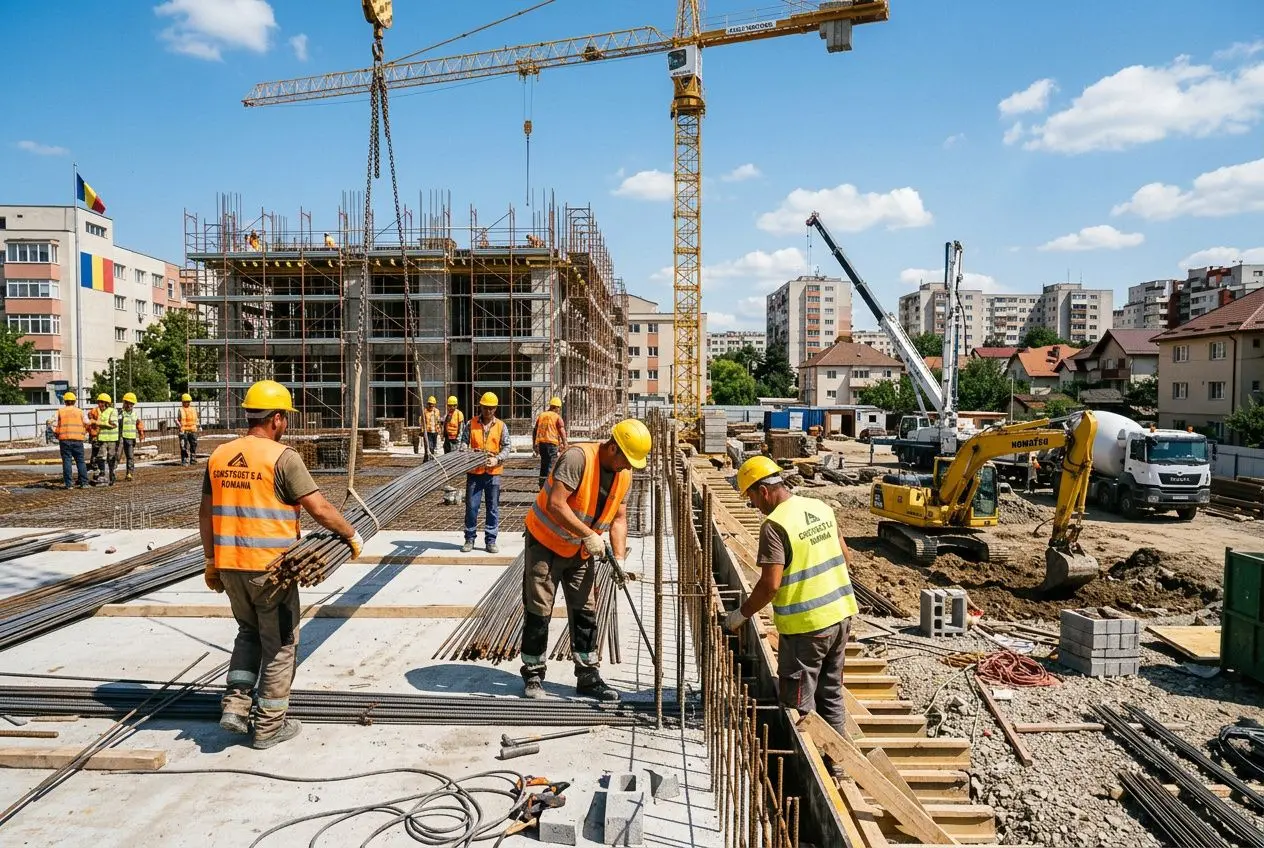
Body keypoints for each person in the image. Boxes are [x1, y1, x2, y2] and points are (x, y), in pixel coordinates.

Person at [200, 380, 363, 749]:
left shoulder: (220, 455)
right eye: (285, 417)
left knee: (247, 634)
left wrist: (211, 561)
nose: (285, 423)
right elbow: (319, 508)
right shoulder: (282, 457)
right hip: (270, 571)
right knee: (280, 645)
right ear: (276, 419)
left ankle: (235, 707)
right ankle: (270, 725)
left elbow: (205, 513)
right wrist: (351, 535)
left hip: (230, 567)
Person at [725, 456, 858, 737]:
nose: (754, 506)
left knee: (799, 702)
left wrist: (741, 614)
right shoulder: (819, 507)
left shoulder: (774, 525)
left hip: (806, 628)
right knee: (831, 691)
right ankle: (838, 764)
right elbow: (846, 557)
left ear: (763, 491)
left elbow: (769, 585)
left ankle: (808, 761)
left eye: (751, 499)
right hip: (841, 617)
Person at [520, 418, 651, 701]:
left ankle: (588, 676)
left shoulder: (624, 475)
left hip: (579, 552)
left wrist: (619, 557)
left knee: (585, 610)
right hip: (546, 542)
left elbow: (619, 519)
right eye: (626, 460)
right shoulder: (578, 458)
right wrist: (589, 535)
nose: (628, 467)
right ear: (613, 447)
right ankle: (533, 674)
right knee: (539, 608)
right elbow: (556, 504)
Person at [461, 392, 510, 554]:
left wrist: (497, 459)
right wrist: (467, 451)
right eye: (485, 408)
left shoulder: (501, 426)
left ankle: (490, 540)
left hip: (493, 473)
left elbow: (507, 447)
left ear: (495, 409)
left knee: (493, 508)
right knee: (472, 507)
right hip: (475, 473)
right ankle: (469, 538)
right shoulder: (471, 424)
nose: (488, 411)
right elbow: (463, 444)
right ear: (480, 407)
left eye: (491, 408)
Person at [53, 392, 89, 490]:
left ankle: (69, 484)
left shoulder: (60, 411)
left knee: (67, 461)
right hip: (78, 440)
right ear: (74, 401)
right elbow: (87, 423)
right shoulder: (80, 412)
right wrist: (83, 433)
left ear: (64, 401)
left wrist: (57, 434)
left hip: (64, 440)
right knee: (80, 461)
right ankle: (84, 482)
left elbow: (53, 424)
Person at [532, 396, 567, 488]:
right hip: (552, 444)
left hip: (541, 444)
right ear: (557, 407)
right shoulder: (556, 417)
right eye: (559, 408)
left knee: (544, 464)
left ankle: (542, 486)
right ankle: (548, 488)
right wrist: (565, 444)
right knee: (551, 466)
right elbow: (561, 430)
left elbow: (535, 431)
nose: (559, 410)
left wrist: (534, 445)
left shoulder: (542, 415)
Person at [94, 393, 120, 486]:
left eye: (101, 402)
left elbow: (114, 425)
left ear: (106, 403)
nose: (99, 404)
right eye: (98, 402)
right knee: (101, 457)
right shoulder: (100, 412)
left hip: (112, 439)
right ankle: (102, 474)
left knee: (111, 458)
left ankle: (112, 474)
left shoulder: (112, 411)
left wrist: (100, 424)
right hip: (102, 439)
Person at [119, 392, 145, 481]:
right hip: (121, 438)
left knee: (130, 457)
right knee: (117, 457)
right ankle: (112, 472)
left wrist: (141, 433)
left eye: (131, 403)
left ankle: (129, 473)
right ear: (124, 403)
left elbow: (139, 424)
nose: (129, 405)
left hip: (130, 439)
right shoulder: (120, 413)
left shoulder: (135, 414)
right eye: (128, 403)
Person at [178, 393, 199, 465]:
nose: (187, 403)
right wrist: (179, 427)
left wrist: (198, 426)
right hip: (184, 430)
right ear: (183, 402)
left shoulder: (193, 409)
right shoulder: (181, 410)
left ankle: (193, 459)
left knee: (194, 445)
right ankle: (185, 460)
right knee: (183, 446)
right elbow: (178, 419)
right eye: (186, 402)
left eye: (188, 401)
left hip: (192, 430)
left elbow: (196, 419)